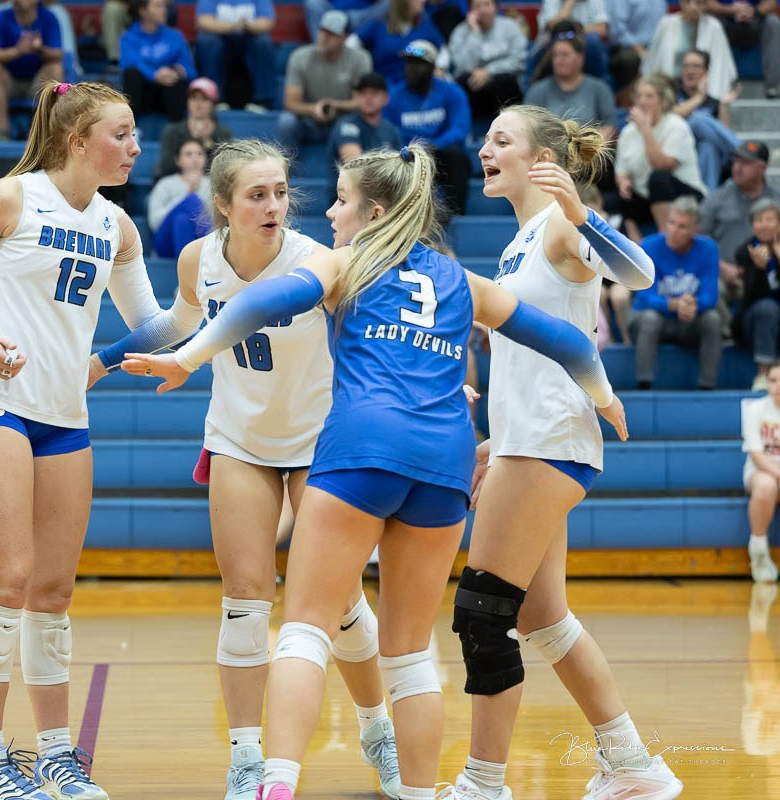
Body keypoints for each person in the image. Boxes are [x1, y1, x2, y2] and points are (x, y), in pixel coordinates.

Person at [118, 143, 626, 800]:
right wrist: (605, 398)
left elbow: (258, 304)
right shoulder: (461, 279)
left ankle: (276, 785)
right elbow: (572, 342)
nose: (330, 212)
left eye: (342, 200)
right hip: (443, 461)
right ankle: (417, 792)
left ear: (375, 212)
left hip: (364, 445)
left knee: (305, 628)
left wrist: (189, 358)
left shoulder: (345, 262)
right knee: (409, 653)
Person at [92, 138, 403, 800]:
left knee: (341, 599)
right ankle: (246, 758)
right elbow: (175, 325)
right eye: (257, 195)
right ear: (224, 205)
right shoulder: (197, 259)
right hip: (240, 440)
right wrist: (103, 360)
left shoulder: (317, 261)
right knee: (244, 601)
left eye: (281, 193)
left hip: (319, 443)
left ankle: (378, 731)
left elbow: (373, 338)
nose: (273, 207)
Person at [0, 80, 156, 800]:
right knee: (9, 581)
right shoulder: (11, 198)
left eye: (135, 134)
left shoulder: (117, 225)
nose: (135, 147)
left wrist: (109, 358)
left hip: (64, 416)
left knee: (53, 591)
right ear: (77, 140)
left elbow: (153, 324)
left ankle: (55, 756)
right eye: (121, 134)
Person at [446, 104, 679, 800]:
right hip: (529, 441)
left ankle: (483, 784)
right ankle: (632, 764)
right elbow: (532, 361)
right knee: (539, 616)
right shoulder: (519, 241)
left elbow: (641, 275)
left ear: (542, 159)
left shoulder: (556, 224)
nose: (486, 150)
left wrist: (581, 214)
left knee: (482, 612)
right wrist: (497, 439)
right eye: (486, 139)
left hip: (549, 444)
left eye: (502, 140)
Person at [629, 197, 722, 389]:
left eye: (682, 226)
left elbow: (711, 296)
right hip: (649, 321)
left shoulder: (708, 249)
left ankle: (707, 386)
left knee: (712, 318)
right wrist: (674, 304)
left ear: (695, 231)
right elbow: (645, 296)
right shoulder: (649, 246)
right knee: (650, 318)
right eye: (671, 223)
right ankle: (644, 385)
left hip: (688, 321)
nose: (673, 230)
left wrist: (693, 305)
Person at [384, 40, 472, 216]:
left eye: (418, 63)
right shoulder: (394, 95)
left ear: (432, 66)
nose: (411, 68)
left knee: (457, 156)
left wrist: (433, 145)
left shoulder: (452, 92)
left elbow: (459, 129)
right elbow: (388, 130)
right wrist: (413, 148)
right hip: (407, 155)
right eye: (409, 63)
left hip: (439, 154)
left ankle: (453, 214)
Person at [614, 74, 705, 240]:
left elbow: (661, 165)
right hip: (646, 197)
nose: (642, 101)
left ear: (663, 102)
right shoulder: (628, 131)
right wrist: (623, 182)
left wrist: (646, 130)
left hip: (683, 195)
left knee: (658, 178)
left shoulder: (677, 126)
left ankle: (665, 239)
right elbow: (621, 170)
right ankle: (637, 245)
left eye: (649, 96)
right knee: (624, 193)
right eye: (639, 96)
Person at [277, 10, 373, 155]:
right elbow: (290, 103)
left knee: (361, 120)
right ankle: (287, 167)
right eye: (322, 31)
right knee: (286, 121)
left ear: (344, 38)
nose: (324, 37)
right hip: (310, 120)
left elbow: (361, 101)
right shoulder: (300, 57)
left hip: (344, 120)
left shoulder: (360, 59)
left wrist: (333, 105)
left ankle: (359, 168)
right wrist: (314, 109)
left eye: (331, 34)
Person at [701, 140, 779, 307]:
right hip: (723, 274)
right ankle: (728, 325)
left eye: (746, 163)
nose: (737, 167)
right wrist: (720, 267)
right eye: (736, 161)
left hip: (766, 276)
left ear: (762, 168)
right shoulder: (716, 198)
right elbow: (699, 238)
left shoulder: (776, 202)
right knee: (712, 290)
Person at [0, 0, 65, 141]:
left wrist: (39, 49)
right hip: (10, 82)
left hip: (37, 81)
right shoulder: (0, 17)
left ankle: (43, 131)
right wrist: (18, 50)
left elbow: (58, 55)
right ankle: (2, 130)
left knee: (55, 69)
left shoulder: (49, 18)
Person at [523, 30, 617, 142]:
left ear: (580, 58)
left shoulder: (600, 89)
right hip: (548, 149)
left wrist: (586, 146)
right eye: (555, 55)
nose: (558, 60)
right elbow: (527, 128)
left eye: (564, 55)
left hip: (588, 149)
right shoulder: (537, 90)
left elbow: (610, 127)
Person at [443, 0, 527, 124]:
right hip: (474, 87)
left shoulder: (510, 27)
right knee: (462, 81)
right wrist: (475, 32)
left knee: (506, 81)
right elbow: (464, 66)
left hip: (503, 86)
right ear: (470, 11)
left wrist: (488, 71)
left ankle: (508, 126)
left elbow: (518, 61)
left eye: (487, 4)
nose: (483, 10)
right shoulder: (460, 32)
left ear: (495, 7)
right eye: (477, 6)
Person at [674, 49, 743, 192]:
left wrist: (723, 106)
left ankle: (707, 197)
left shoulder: (712, 102)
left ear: (706, 72)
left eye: (695, 66)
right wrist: (699, 97)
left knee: (708, 147)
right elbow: (673, 115)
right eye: (686, 66)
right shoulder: (672, 93)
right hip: (677, 148)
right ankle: (742, 151)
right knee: (698, 119)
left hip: (702, 154)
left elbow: (723, 134)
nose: (690, 71)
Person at [641, 0, 738, 101]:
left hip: (704, 90)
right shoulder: (666, 24)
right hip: (670, 88)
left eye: (698, 2)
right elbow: (653, 61)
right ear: (680, 3)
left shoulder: (714, 27)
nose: (693, 7)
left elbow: (720, 65)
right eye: (687, 2)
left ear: (706, 5)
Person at [120, 0, 195, 122]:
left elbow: (191, 71)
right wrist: (155, 75)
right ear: (143, 11)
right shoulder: (128, 37)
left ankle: (180, 127)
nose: (164, 10)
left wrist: (178, 72)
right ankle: (130, 126)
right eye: (158, 6)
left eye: (164, 6)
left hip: (168, 93)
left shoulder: (175, 35)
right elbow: (130, 64)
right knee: (132, 74)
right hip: (143, 95)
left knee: (176, 80)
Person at [328, 72, 402, 194]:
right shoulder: (347, 125)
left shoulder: (392, 130)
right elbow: (355, 166)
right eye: (363, 93)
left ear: (386, 98)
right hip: (347, 197)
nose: (368, 98)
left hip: (382, 196)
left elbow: (398, 169)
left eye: (374, 93)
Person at [195, 0, 277, 111]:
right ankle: (214, 99)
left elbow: (267, 23)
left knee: (263, 42)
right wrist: (233, 27)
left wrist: (247, 26)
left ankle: (263, 101)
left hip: (248, 41)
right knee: (208, 42)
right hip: (221, 42)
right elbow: (203, 21)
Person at [736, 199, 780, 390]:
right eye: (758, 220)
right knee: (767, 308)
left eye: (769, 219)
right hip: (755, 319)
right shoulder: (745, 252)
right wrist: (760, 270)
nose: (764, 225)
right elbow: (752, 297)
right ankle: (764, 373)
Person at [742, 362, 780, 582]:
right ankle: (758, 552)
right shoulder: (755, 409)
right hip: (761, 471)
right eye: (773, 380)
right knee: (766, 486)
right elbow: (756, 454)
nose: (778, 385)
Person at [156, 78, 234, 180]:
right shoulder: (172, 131)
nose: (198, 104)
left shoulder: (223, 133)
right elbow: (166, 166)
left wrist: (209, 146)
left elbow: (226, 169)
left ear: (214, 105)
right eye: (194, 98)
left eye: (204, 99)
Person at [147, 137, 213, 258]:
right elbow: (154, 222)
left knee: (182, 219)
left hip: (196, 242)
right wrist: (185, 198)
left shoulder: (212, 185)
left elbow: (218, 220)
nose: (195, 159)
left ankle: (187, 266)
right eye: (188, 154)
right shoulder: (165, 184)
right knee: (191, 200)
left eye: (199, 154)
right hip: (166, 242)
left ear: (205, 159)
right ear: (178, 160)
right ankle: (213, 249)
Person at [358, 0, 444, 89]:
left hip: (418, 86)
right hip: (385, 87)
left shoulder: (425, 25)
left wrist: (439, 67)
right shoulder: (379, 24)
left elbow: (443, 50)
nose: (423, 1)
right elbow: (353, 43)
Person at [707, 0, 780, 98]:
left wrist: (753, 11)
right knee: (710, 22)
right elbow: (708, 3)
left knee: (773, 22)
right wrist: (731, 10)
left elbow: (771, 3)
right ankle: (711, 86)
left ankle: (772, 86)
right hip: (725, 20)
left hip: (754, 20)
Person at [606, 0, 666, 99]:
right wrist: (640, 50)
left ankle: (666, 101)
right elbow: (618, 31)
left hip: (655, 47)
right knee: (628, 59)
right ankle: (629, 101)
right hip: (628, 47)